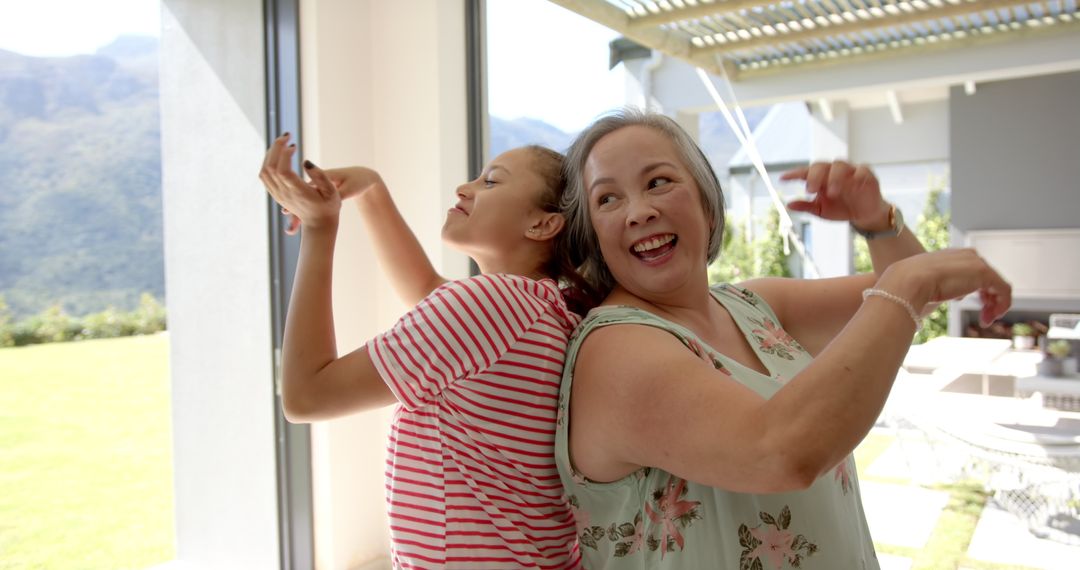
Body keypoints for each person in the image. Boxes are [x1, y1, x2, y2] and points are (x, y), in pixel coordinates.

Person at [552, 109, 1012, 569]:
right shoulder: (616, 349)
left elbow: (910, 306)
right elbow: (781, 453)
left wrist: (877, 222)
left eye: (658, 182)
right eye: (607, 199)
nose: (640, 211)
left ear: (708, 207)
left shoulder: (752, 305)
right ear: (593, 236)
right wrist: (910, 283)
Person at [259, 134, 596, 569]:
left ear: (543, 224)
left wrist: (320, 230)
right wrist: (371, 190)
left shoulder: (492, 304)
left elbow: (307, 395)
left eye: (491, 182)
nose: (464, 188)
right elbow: (422, 288)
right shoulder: (539, 308)